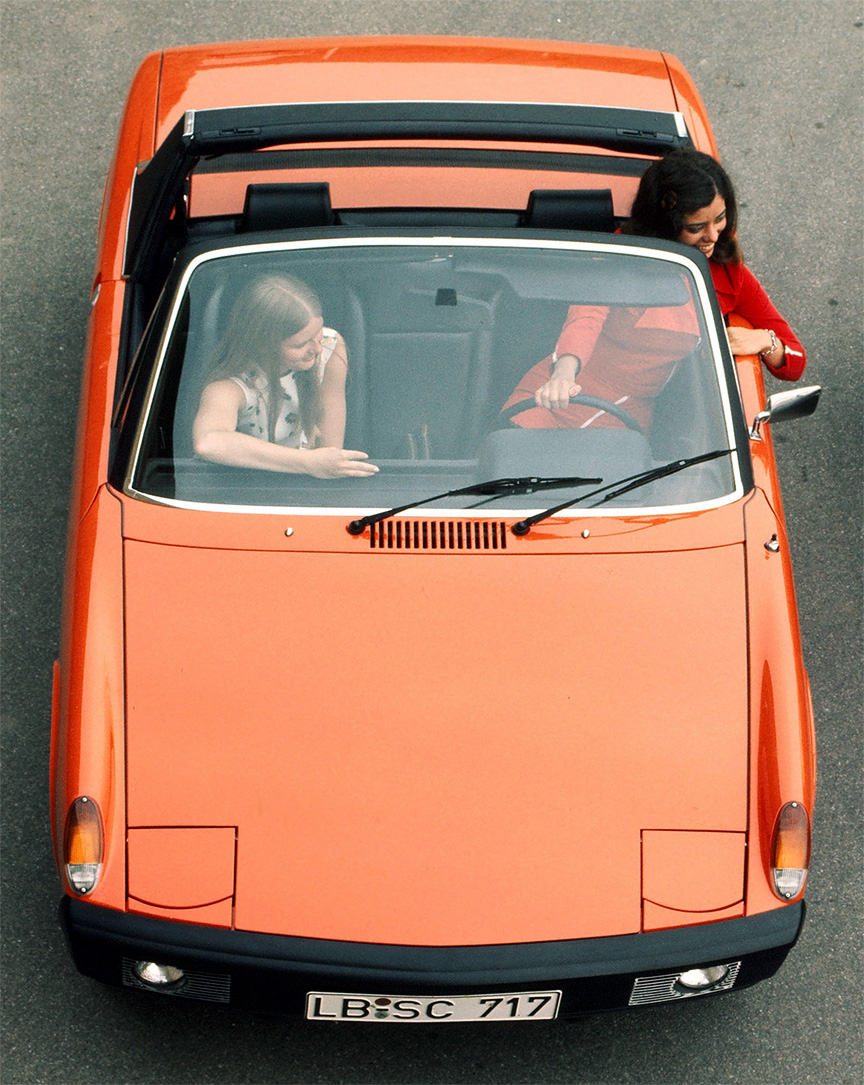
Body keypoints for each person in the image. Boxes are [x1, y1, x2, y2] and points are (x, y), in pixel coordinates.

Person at [507, 149, 806, 430]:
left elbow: (795, 362)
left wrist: (765, 341)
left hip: (626, 411)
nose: (713, 236)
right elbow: (586, 317)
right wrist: (562, 373)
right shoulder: (619, 254)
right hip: (553, 390)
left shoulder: (729, 273)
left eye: (720, 219)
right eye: (696, 228)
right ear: (666, 223)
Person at [193, 274, 378, 478]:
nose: (317, 349)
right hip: (251, 483)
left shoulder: (330, 345)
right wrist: (308, 462)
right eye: (301, 344)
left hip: (310, 482)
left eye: (318, 333)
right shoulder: (231, 385)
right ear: (263, 345)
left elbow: (331, 450)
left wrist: (324, 465)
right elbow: (208, 442)